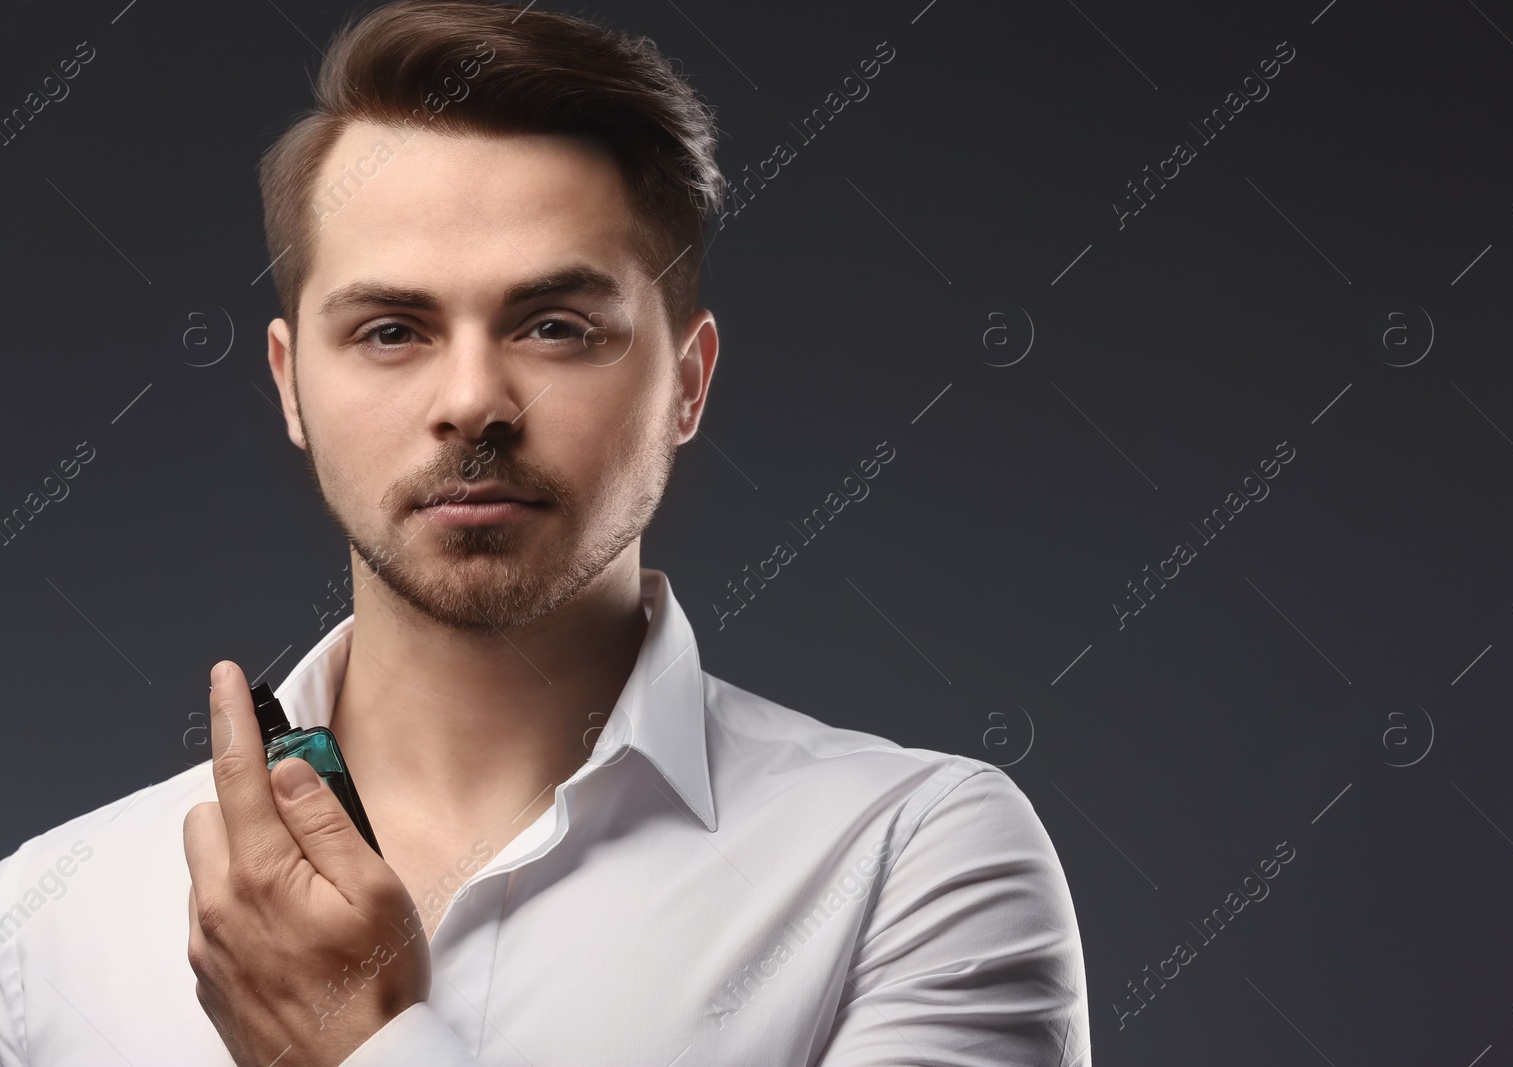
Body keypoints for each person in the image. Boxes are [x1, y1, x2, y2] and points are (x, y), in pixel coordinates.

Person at [0, 2, 1089, 1063]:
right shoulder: (46, 924)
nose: (474, 399)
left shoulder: (913, 861)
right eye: (390, 330)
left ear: (688, 382)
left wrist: (354, 1047)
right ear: (291, 385)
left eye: (557, 326)